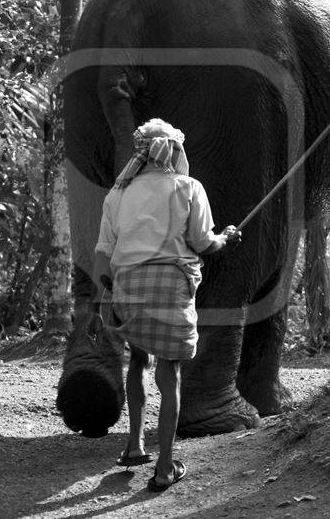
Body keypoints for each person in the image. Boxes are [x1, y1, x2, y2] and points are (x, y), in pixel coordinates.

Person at [93, 118, 241, 492]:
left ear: (141, 153)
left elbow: (103, 255)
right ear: (175, 151)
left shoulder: (118, 194)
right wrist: (226, 238)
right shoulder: (188, 188)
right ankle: (163, 468)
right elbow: (203, 244)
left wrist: (109, 292)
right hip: (171, 286)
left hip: (128, 286)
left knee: (139, 360)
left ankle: (134, 446)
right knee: (170, 374)